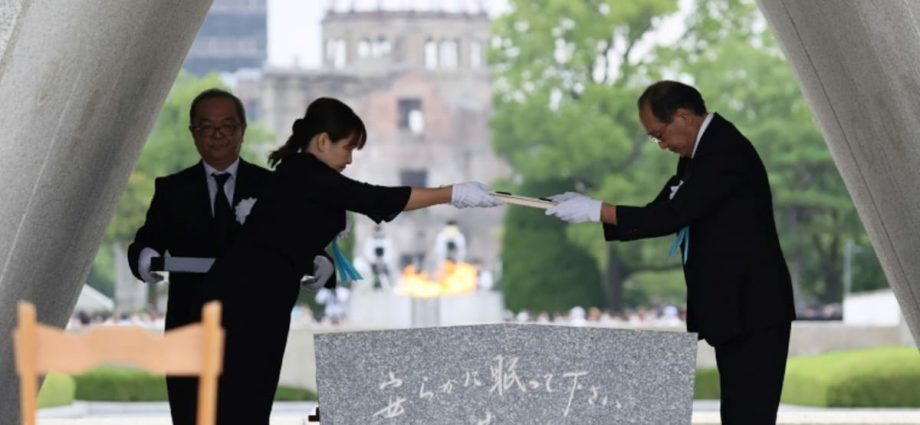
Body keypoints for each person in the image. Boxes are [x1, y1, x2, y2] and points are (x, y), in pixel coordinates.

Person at [205, 97, 502, 425]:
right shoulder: (307, 171)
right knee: (243, 397)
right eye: (347, 148)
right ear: (322, 141)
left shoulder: (300, 174)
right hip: (249, 297)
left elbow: (285, 231)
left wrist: (315, 260)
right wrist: (451, 194)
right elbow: (373, 198)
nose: (348, 160)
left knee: (252, 395)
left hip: (262, 294)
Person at [545, 81, 795, 425]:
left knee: (748, 417)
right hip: (737, 309)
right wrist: (595, 210)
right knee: (739, 416)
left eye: (659, 134)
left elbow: (672, 216)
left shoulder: (723, 151)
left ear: (683, 116)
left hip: (754, 306)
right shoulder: (696, 156)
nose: (661, 145)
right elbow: (659, 209)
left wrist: (595, 210)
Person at [126, 88, 276, 425]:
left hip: (252, 329)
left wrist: (319, 261)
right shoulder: (172, 189)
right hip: (188, 324)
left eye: (228, 126)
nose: (218, 135)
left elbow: (296, 240)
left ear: (242, 129)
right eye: (207, 127)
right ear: (193, 133)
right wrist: (145, 257)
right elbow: (147, 240)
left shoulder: (272, 188)